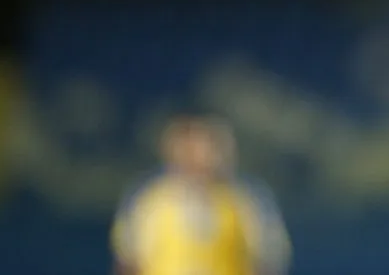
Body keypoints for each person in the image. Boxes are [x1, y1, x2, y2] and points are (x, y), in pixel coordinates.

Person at [111, 114, 292, 275]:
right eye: (189, 146)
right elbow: (128, 261)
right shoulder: (149, 200)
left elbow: (268, 260)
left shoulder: (246, 201)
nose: (198, 155)